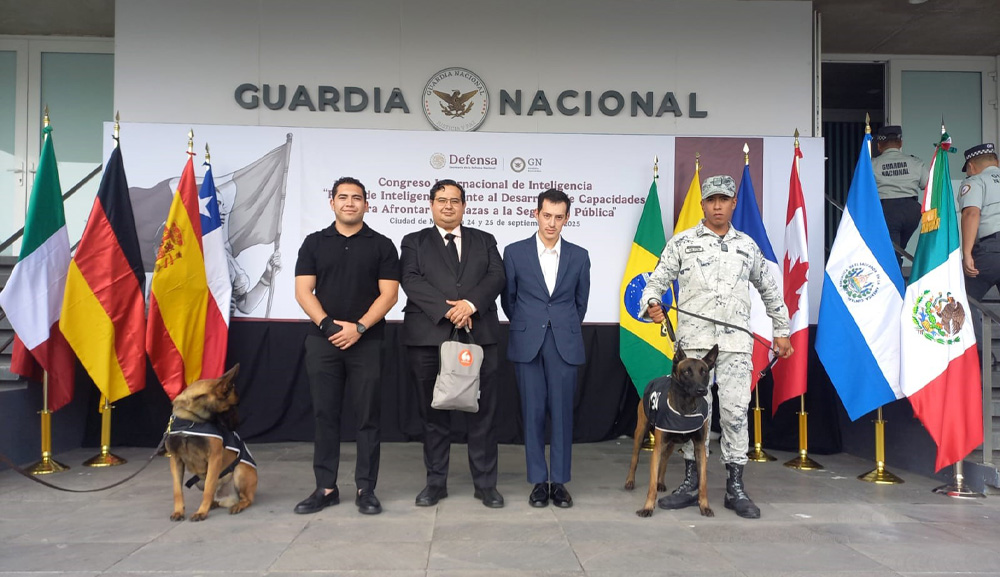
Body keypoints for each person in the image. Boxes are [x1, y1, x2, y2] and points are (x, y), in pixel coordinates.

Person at [640, 174, 793, 519]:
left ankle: (735, 487)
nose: (718, 205)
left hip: (736, 345)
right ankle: (692, 482)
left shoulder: (748, 246)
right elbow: (656, 280)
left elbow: (770, 289)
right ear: (703, 204)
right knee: (694, 415)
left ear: (734, 202)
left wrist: (781, 331)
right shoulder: (683, 242)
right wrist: (652, 302)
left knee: (736, 414)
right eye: (711, 200)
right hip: (694, 349)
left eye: (724, 199)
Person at [292, 176, 400, 516]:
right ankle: (326, 488)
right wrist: (327, 325)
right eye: (343, 197)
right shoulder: (313, 243)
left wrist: (359, 327)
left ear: (367, 204)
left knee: (368, 418)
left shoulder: (382, 245)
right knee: (325, 415)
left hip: (367, 342)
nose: (350, 203)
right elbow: (303, 291)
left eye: (357, 198)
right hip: (322, 343)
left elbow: (390, 294)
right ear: (332, 202)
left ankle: (366, 488)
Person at [401, 179, 506, 508]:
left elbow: (497, 276)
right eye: (442, 200)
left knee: (483, 415)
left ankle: (486, 485)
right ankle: (435, 483)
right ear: (431, 204)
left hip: (480, 337)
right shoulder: (414, 242)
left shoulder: (485, 240)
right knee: (433, 415)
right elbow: (411, 279)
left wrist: (470, 304)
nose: (448, 206)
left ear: (464, 206)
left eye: (455, 201)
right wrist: (450, 310)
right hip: (428, 338)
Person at [501, 189, 590, 508]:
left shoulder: (579, 255)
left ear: (567, 218)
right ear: (536, 214)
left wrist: (560, 325)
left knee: (563, 414)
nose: (552, 223)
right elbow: (508, 300)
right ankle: (539, 481)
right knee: (533, 413)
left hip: (564, 342)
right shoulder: (514, 252)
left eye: (559, 217)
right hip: (527, 342)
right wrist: (531, 323)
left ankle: (560, 482)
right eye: (547, 215)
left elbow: (581, 303)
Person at [959, 143, 1000, 345]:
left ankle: (978, 355)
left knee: (962, 298)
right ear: (997, 163)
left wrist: (967, 253)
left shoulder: (975, 181)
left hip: (991, 251)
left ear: (971, 166)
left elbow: (971, 213)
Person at [872, 125, 928, 269]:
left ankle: (896, 285)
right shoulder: (915, 162)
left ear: (879, 145)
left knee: (892, 249)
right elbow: (927, 185)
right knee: (898, 247)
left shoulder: (873, 164)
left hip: (887, 210)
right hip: (912, 211)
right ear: (900, 143)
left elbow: (866, 190)